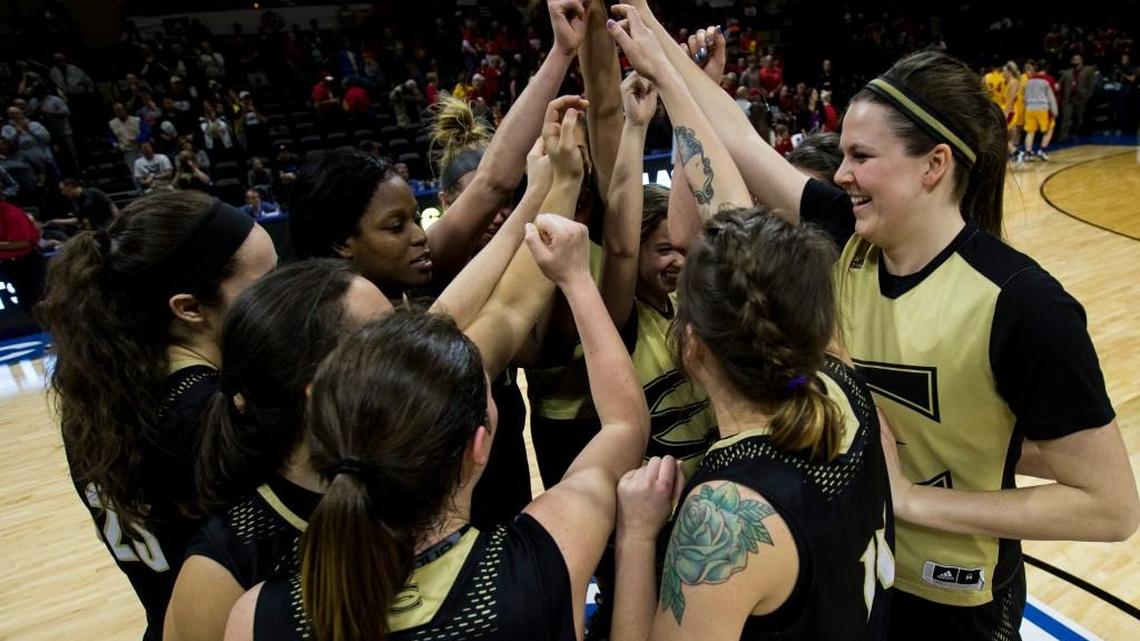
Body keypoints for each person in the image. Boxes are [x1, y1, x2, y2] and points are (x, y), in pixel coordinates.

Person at [622, 7, 1139, 636]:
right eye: (841, 155)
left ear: (934, 165)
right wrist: (657, 42)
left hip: (953, 596)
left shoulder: (1025, 305)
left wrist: (918, 500)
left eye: (861, 156)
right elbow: (738, 145)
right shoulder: (846, 235)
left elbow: (1110, 508)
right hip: (860, 558)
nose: (841, 174)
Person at [224, 213, 652, 641]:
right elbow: (623, 426)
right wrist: (576, 278)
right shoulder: (546, 554)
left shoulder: (255, 615)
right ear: (479, 445)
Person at [37, 191, 277, 641]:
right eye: (266, 281)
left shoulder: (99, 404)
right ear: (188, 307)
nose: (283, 294)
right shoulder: (214, 418)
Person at [0, 196, 44, 319]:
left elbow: (24, 242)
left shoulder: (13, 214)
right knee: (24, 302)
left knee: (35, 300)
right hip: (10, 265)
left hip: (26, 264)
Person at [1022, 60, 1059, 161]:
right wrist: (1055, 112)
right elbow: (1051, 98)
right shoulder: (1046, 81)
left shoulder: (1029, 82)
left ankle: (1028, 153)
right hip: (1042, 109)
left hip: (1030, 109)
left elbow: (1025, 98)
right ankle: (1042, 150)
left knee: (1030, 132)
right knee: (1050, 128)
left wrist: (1027, 107)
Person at [54, 178, 120, 232]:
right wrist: (60, 221)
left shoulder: (93, 192)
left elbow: (111, 206)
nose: (62, 193)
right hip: (94, 232)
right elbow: (79, 219)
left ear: (70, 186)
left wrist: (118, 222)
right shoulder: (75, 201)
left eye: (63, 190)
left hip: (108, 227)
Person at [1059, 54, 1098, 141]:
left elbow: (1091, 84)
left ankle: (1075, 134)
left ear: (1081, 60)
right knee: (1066, 117)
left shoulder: (1088, 70)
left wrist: (1088, 95)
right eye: (1073, 59)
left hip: (1081, 97)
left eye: (1077, 58)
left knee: (1079, 118)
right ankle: (1063, 136)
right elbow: (1060, 83)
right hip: (1069, 98)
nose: (1075, 60)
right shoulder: (1068, 72)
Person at [108, 102, 147, 175]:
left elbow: (146, 133)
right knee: (135, 172)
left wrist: (137, 138)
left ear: (125, 110)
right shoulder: (112, 124)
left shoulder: (137, 120)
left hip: (141, 148)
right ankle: (139, 186)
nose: (119, 113)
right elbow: (111, 138)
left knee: (148, 168)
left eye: (120, 110)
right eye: (116, 111)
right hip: (128, 151)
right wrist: (115, 144)